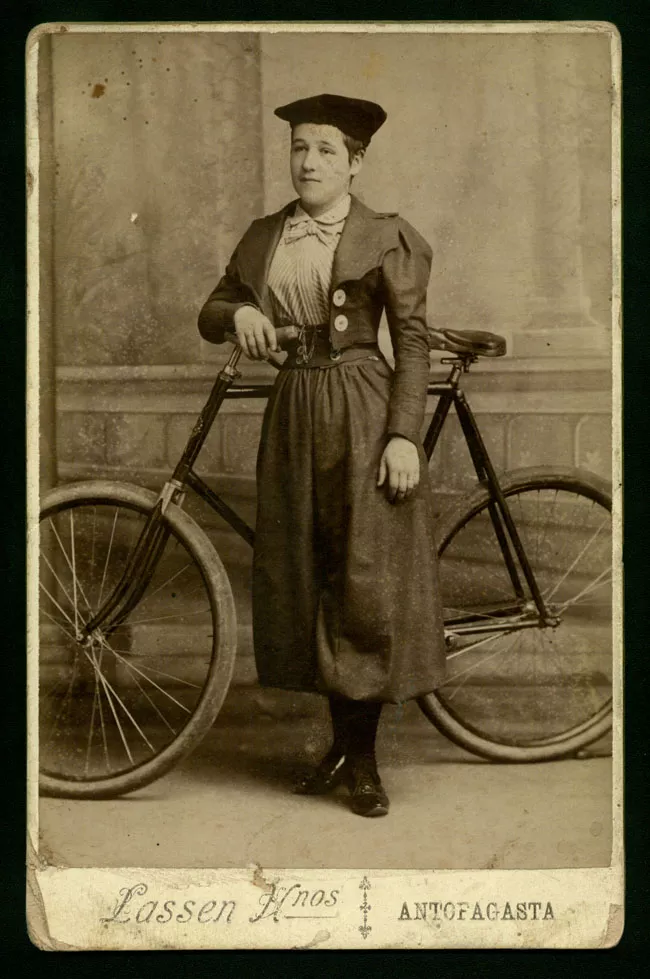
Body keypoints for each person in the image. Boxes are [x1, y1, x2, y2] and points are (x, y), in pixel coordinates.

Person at [198, 93, 446, 817]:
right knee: (305, 572)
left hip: (362, 408)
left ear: (355, 162)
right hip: (294, 409)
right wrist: (243, 310)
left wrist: (403, 435)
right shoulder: (265, 234)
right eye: (299, 147)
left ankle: (362, 761)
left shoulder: (387, 235)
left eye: (326, 150)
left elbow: (414, 343)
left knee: (361, 575)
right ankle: (338, 746)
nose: (308, 162)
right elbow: (211, 311)